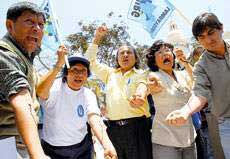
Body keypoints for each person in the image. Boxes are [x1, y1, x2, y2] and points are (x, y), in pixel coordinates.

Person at [166, 12, 230, 159]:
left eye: (211, 33)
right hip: (226, 123)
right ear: (197, 40)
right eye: (201, 37)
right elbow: (200, 93)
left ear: (221, 28)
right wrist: (185, 111)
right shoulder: (201, 67)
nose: (208, 40)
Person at [85, 26, 152, 159]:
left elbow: (143, 86)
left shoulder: (143, 74)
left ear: (136, 58)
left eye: (129, 52)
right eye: (121, 53)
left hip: (138, 128)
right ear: (117, 59)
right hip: (113, 130)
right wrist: (97, 38)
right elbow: (89, 62)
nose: (125, 55)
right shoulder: (109, 74)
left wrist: (140, 94)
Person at [36, 52, 117, 159]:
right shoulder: (54, 87)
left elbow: (94, 120)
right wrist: (58, 65)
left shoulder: (88, 94)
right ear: (66, 73)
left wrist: (107, 144)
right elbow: (40, 92)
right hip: (52, 150)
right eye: (74, 70)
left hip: (82, 148)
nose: (79, 74)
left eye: (83, 71)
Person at [0, 2, 50, 159]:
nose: (37, 29)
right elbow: (22, 103)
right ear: (10, 25)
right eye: (29, 22)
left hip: (19, 143)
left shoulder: (26, 55)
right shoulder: (5, 54)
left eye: (41, 24)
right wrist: (38, 155)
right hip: (6, 144)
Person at [145, 40, 196, 159]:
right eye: (159, 52)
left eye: (168, 50)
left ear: (173, 56)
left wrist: (186, 63)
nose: (165, 54)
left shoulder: (183, 75)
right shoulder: (155, 76)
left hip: (189, 138)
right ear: (154, 60)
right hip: (165, 141)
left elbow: (199, 81)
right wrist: (150, 87)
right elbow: (148, 85)